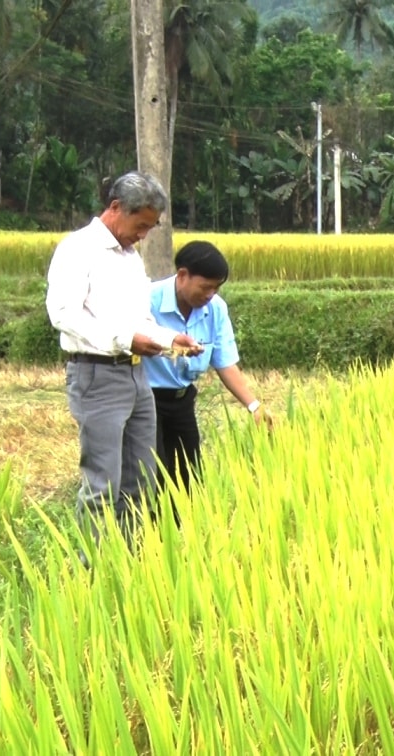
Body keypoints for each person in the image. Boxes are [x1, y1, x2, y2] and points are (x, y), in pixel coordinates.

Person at [46, 171, 203, 543]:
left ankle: (128, 563)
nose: (143, 235)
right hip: (97, 375)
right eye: (141, 225)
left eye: (151, 228)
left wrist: (169, 339)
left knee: (141, 480)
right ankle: (95, 571)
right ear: (116, 208)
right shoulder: (78, 249)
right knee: (103, 484)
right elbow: (64, 315)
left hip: (136, 377)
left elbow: (141, 320)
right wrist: (125, 339)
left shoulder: (131, 258)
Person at [144, 241, 274, 505]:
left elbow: (225, 362)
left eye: (216, 288)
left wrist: (254, 406)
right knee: (154, 473)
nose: (211, 294)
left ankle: (181, 536)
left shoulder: (215, 309)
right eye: (205, 287)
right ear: (182, 276)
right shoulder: (147, 300)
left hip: (182, 400)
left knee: (189, 475)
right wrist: (171, 347)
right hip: (146, 400)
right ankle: (151, 538)